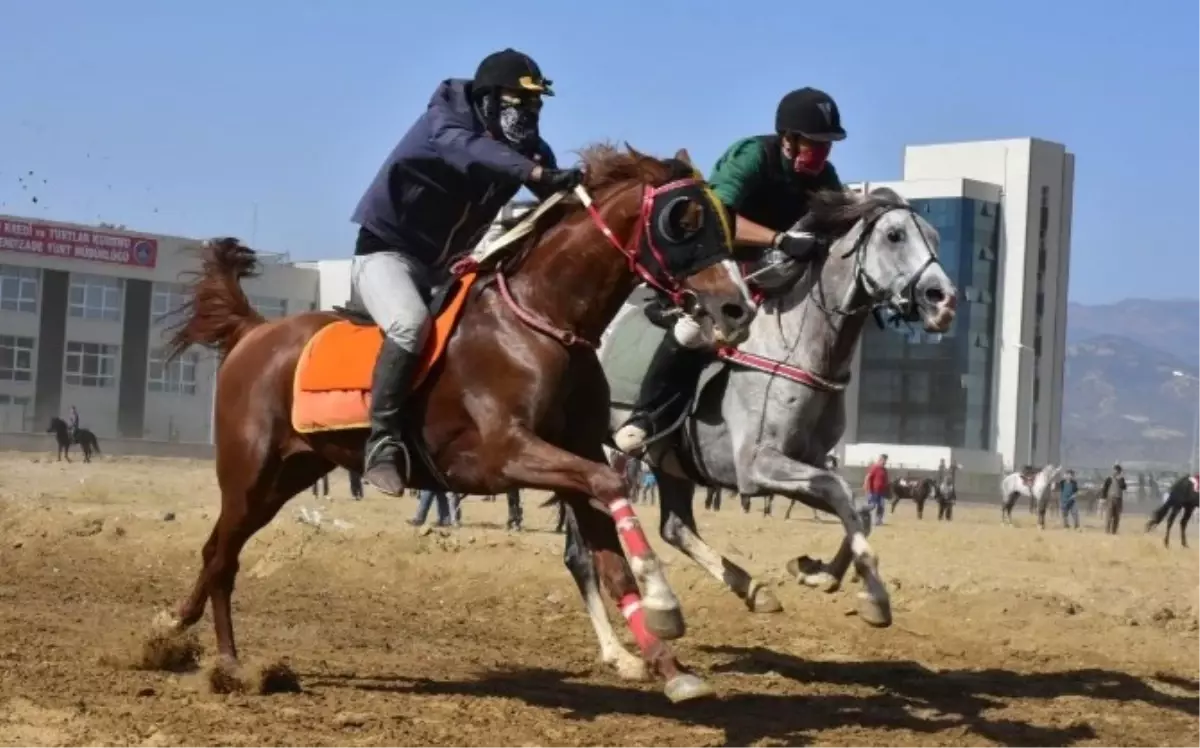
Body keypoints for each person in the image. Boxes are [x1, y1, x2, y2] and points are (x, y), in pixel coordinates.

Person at [350, 49, 584, 495]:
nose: (530, 112)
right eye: (521, 100)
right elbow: (472, 151)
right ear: (490, 98)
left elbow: (558, 195)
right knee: (409, 324)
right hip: (386, 255)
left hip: (445, 267)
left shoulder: (526, 148)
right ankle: (381, 443)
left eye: (536, 103)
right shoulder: (445, 121)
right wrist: (536, 172)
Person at [614, 87, 846, 453]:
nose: (822, 152)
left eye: (828, 144)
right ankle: (646, 417)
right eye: (813, 143)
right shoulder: (752, 156)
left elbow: (841, 220)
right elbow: (715, 219)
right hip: (717, 269)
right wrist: (780, 240)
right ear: (788, 138)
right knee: (693, 332)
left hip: (771, 275)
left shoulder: (825, 176)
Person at [1102, 464, 1127, 534]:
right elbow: (1105, 488)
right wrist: (1103, 498)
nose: (1115, 472)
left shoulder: (1121, 479)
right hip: (1110, 499)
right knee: (1109, 516)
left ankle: (1114, 531)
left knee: (1117, 516)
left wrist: (1120, 479)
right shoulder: (1109, 479)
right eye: (1114, 470)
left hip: (1118, 499)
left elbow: (1123, 487)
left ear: (1119, 471)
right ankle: (1107, 531)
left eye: (1117, 471)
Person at [864, 453, 889, 526]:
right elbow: (867, 477)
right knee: (872, 506)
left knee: (881, 506)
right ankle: (862, 514)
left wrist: (887, 489)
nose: (884, 462)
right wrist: (866, 487)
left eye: (885, 460)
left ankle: (878, 521)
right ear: (880, 459)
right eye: (883, 460)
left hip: (881, 492)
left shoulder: (884, 470)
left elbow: (886, 481)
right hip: (873, 491)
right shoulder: (874, 467)